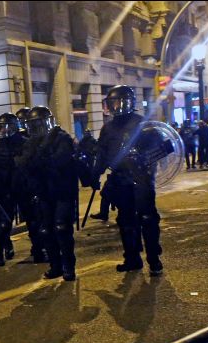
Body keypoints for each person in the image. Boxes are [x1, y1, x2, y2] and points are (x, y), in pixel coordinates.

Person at [93, 85, 164, 277]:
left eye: (118, 102)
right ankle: (132, 259)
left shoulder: (143, 124)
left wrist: (145, 158)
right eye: (112, 103)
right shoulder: (107, 128)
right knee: (125, 221)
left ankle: (154, 259)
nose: (115, 106)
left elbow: (162, 148)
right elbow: (102, 153)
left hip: (141, 179)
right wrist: (94, 172)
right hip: (120, 180)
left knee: (148, 219)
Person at [19, 106, 78, 281]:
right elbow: (26, 165)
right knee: (45, 230)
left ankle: (68, 266)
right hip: (43, 192)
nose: (37, 128)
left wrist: (43, 158)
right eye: (33, 125)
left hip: (62, 191)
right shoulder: (30, 143)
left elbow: (60, 162)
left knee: (62, 228)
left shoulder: (61, 139)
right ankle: (55, 265)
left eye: (39, 124)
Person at [0, 112, 26, 266]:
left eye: (6, 126)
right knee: (5, 222)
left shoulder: (23, 142)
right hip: (2, 189)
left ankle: (39, 249)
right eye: (1, 127)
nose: (4, 130)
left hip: (21, 188)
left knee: (34, 221)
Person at [14, 107, 48, 263]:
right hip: (24, 186)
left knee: (42, 219)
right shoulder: (18, 140)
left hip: (40, 184)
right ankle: (38, 248)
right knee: (33, 220)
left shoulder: (38, 138)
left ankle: (43, 247)